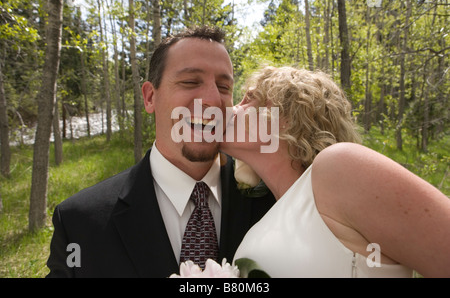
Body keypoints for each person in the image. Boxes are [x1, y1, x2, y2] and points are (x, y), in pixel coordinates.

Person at [46, 26, 275, 278]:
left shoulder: (274, 201)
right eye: (190, 82)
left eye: (223, 87)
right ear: (150, 97)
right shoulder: (79, 223)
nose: (212, 99)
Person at [220, 65, 450, 277]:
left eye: (249, 99)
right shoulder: (266, 216)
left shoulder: (338, 167)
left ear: (288, 117)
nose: (232, 109)